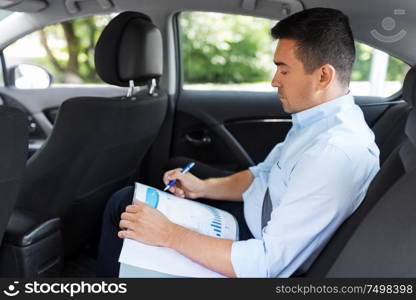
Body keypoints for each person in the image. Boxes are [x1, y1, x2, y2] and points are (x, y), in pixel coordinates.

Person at [96, 7, 380, 278]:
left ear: (323, 76)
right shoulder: (315, 123)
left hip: (252, 252)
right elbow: (263, 176)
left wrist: (168, 234)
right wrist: (202, 188)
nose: (274, 81)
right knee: (141, 197)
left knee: (124, 207)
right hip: (247, 224)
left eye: (284, 70)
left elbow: (265, 265)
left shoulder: (333, 153)